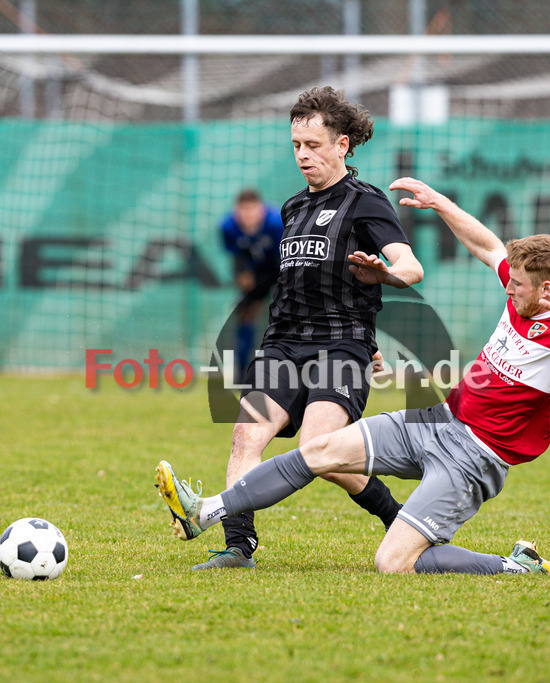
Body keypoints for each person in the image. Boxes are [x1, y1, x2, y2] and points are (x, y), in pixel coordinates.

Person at [156, 177, 550, 576]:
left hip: (474, 458)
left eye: (518, 284)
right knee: (319, 449)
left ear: (548, 289)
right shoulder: (519, 291)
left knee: (393, 563)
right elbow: (488, 245)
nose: (508, 286)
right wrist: (440, 203)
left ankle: (513, 565)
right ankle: (206, 511)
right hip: (437, 421)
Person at [193, 86, 425, 570]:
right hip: (282, 344)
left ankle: (401, 518)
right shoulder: (293, 208)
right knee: (245, 435)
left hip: (341, 348)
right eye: (296, 145)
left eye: (313, 145)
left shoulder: (366, 202)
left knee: (319, 452)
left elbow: (411, 266)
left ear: (342, 145)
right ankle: (238, 547)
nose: (302, 155)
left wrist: (384, 274)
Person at [220, 188, 283, 382]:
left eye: (252, 210)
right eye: (243, 210)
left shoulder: (276, 223)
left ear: (261, 209)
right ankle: (241, 372)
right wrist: (242, 273)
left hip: (282, 269)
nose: (247, 216)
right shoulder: (228, 226)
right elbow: (237, 256)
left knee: (285, 314)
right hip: (256, 272)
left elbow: (285, 256)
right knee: (245, 313)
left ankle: (287, 369)